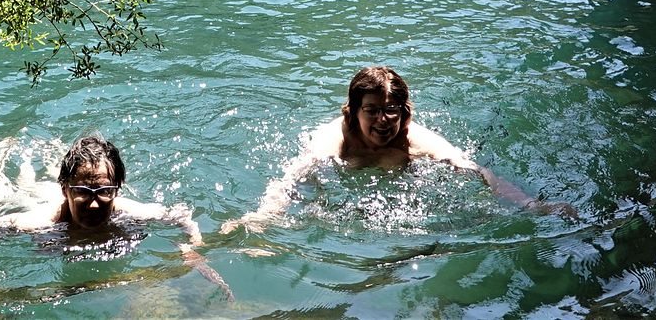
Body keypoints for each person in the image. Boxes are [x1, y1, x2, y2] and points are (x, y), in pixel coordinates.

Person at [222, 65, 574, 233]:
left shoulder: (415, 140)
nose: (382, 120)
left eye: (391, 110)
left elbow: (478, 172)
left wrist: (532, 205)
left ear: (404, 112)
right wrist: (265, 214)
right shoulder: (337, 138)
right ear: (354, 111)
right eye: (372, 110)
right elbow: (297, 174)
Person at [0, 133, 229, 298]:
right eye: (83, 192)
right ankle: (16, 154)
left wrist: (192, 250)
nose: (94, 204)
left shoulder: (133, 212)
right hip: (41, 201)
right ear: (66, 190)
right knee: (13, 191)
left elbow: (183, 217)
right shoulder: (38, 222)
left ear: (117, 189)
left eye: (104, 191)